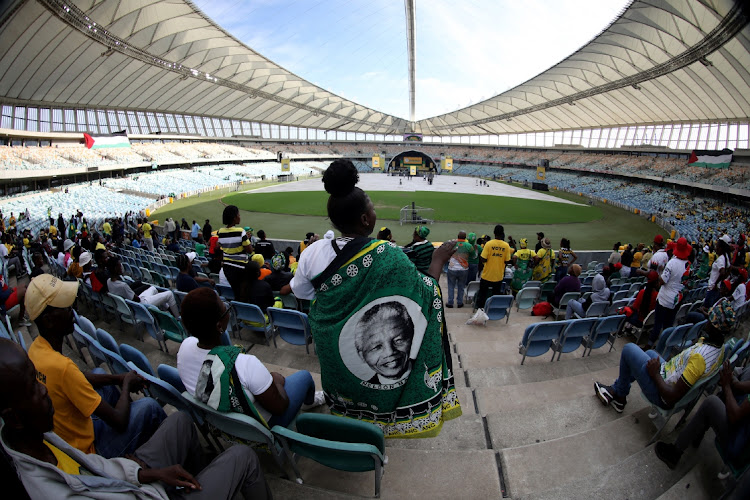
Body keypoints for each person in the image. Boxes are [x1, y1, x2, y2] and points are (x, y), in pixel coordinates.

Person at [289, 159, 461, 437]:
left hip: (333, 346)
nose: (374, 211)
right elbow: (424, 294)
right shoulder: (390, 255)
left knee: (344, 382)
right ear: (366, 219)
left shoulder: (312, 252)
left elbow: (302, 292)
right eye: (372, 207)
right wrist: (438, 260)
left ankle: (345, 413)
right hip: (359, 351)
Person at [0, 339, 271, 500]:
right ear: (13, 417)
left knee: (180, 421)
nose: (44, 389)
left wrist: (144, 473)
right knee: (244, 456)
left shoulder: (42, 438)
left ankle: (202, 482)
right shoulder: (46, 491)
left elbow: (92, 468)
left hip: (129, 480)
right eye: (33, 387)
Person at [25, 275, 166, 458]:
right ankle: (158, 457)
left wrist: (118, 377)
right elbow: (119, 421)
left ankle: (134, 432)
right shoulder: (62, 367)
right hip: (90, 450)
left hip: (78, 427)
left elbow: (78, 377)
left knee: (99, 373)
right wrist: (126, 384)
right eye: (65, 307)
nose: (72, 309)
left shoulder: (36, 349)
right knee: (149, 406)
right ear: (48, 321)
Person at [177, 288, 322, 428]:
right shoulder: (245, 364)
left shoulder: (184, 348)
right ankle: (308, 403)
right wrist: (276, 381)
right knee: (305, 376)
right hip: (263, 427)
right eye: (225, 310)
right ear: (219, 325)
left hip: (224, 425)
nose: (228, 311)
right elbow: (281, 407)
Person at [595, 295, 731, 414]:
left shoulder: (699, 359)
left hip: (662, 394)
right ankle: (617, 389)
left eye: (710, 319)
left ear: (714, 327)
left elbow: (671, 397)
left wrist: (655, 374)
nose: (706, 321)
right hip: (667, 374)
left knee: (629, 349)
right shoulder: (720, 349)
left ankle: (619, 397)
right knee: (649, 352)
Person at [655, 360, 750, 471]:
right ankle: (698, 433)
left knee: (711, 403)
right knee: (723, 396)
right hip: (741, 427)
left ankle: (674, 453)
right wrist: (732, 382)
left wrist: (727, 385)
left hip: (739, 443)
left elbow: (735, 417)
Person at [647, 237, 692, 348]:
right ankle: (664, 345)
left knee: (658, 323)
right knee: (668, 323)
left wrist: (657, 279)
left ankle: (650, 344)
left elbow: (662, 281)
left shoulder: (672, 262)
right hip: (677, 298)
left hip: (665, 298)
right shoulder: (689, 265)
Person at [355, 301, 414, 384]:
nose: (390, 352)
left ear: (411, 337)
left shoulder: (432, 367)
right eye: (377, 347)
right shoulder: (361, 392)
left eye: (398, 340)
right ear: (362, 356)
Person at [107, 258, 181, 318]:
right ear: (116, 268)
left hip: (130, 304)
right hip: (140, 305)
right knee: (169, 293)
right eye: (120, 266)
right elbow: (136, 299)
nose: (121, 267)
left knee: (153, 288)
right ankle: (178, 317)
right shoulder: (123, 285)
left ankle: (167, 309)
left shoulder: (108, 281)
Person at [474, 224, 512, 311]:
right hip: (498, 276)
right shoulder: (506, 245)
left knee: (482, 295)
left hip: (487, 275)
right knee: (495, 295)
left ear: (494, 233)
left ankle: (480, 311)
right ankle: (492, 310)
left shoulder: (488, 244)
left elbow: (483, 259)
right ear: (502, 233)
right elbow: (507, 261)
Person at [217, 205, 252, 299]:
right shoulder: (241, 231)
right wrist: (247, 240)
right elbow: (249, 250)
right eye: (238, 215)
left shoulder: (220, 232)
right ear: (234, 218)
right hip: (241, 268)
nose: (239, 217)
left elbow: (220, 245)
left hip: (227, 267)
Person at [445, 231, 474, 308]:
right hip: (463, 269)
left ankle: (450, 302)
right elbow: (474, 256)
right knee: (461, 286)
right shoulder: (469, 246)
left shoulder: (452, 244)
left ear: (458, 236)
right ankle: (459, 303)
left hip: (452, 268)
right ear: (465, 237)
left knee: (451, 286)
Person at [705, 236, 731, 308]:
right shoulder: (726, 257)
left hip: (712, 288)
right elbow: (729, 269)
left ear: (721, 248)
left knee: (708, 308)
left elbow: (722, 272)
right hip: (717, 288)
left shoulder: (721, 259)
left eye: (717, 246)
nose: (715, 248)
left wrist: (716, 283)